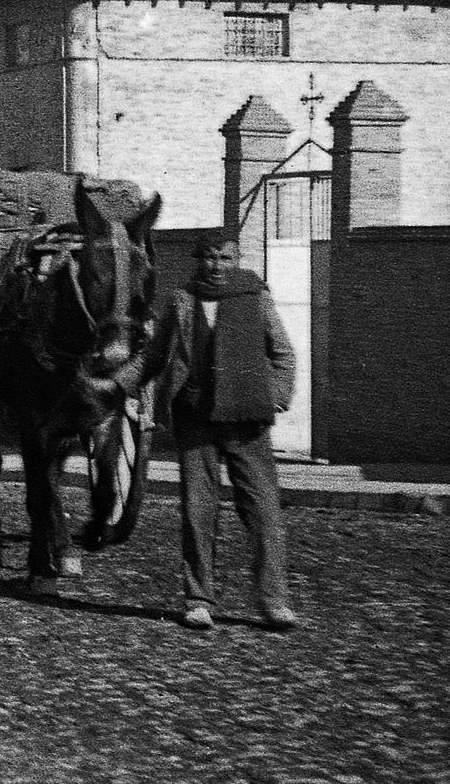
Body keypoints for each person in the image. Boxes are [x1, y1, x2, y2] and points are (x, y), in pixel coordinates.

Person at [144, 231, 299, 632]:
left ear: (237, 260)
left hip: (247, 423)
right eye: (210, 257)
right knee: (198, 511)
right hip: (196, 420)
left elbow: (283, 353)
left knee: (263, 511)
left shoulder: (256, 298)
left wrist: (275, 397)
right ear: (198, 260)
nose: (217, 266)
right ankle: (198, 600)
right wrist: (115, 384)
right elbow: (154, 357)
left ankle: (274, 601)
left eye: (225, 258)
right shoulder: (181, 300)